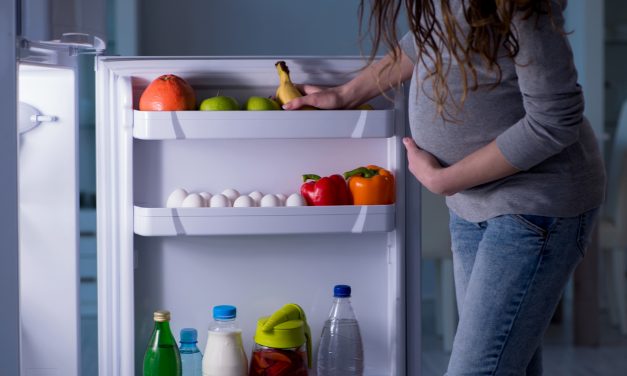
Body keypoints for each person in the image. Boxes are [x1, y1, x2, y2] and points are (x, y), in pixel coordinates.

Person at [284, 0, 606, 375]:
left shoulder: (521, 6)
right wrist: (345, 95)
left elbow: (555, 120)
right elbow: (423, 42)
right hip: (471, 204)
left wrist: (445, 179)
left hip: (534, 204)